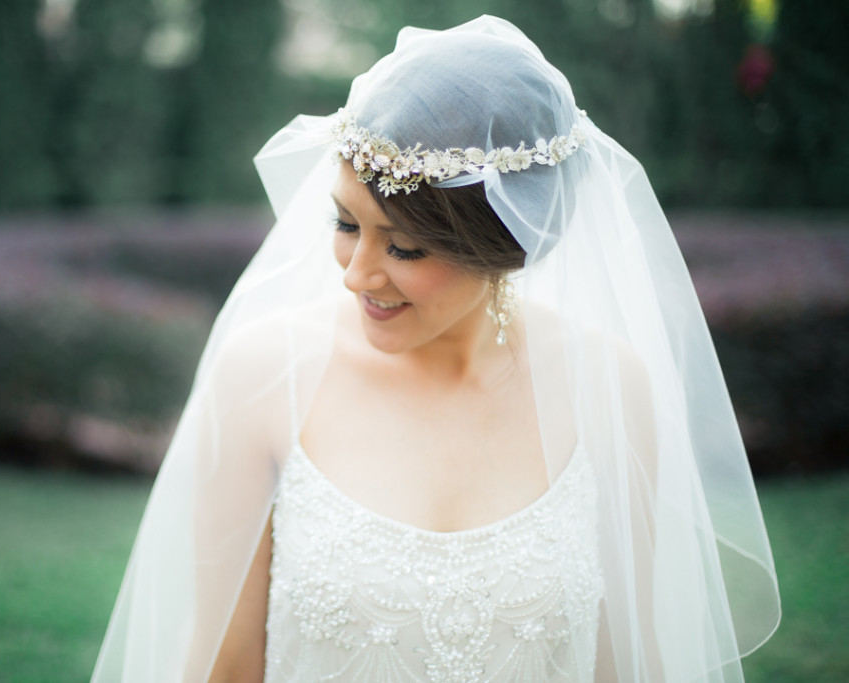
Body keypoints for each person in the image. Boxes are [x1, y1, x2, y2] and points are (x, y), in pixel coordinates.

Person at [91, 15, 780, 683]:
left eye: (404, 246)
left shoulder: (609, 386)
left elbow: (627, 663)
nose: (356, 272)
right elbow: (224, 665)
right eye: (344, 222)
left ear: (504, 243)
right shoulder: (264, 375)